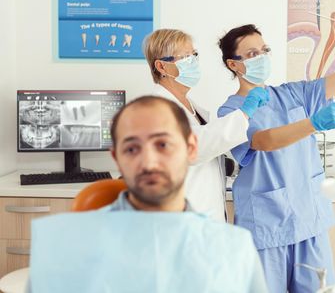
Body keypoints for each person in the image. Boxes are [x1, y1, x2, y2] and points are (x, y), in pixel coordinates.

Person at [217, 9, 335, 292]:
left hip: (309, 221)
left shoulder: (292, 93)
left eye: (264, 49)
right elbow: (264, 141)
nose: (261, 57)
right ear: (233, 65)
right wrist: (313, 123)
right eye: (251, 54)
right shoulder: (231, 112)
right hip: (266, 227)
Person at [28, 96, 268, 293]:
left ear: (191, 148)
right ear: (117, 158)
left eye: (162, 145)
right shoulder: (59, 246)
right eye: (132, 148)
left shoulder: (234, 250)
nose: (149, 162)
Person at [142, 29, 269, 221]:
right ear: (162, 67)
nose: (193, 62)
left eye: (194, 55)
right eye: (185, 57)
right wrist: (244, 113)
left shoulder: (196, 109)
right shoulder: (155, 109)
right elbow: (193, 147)